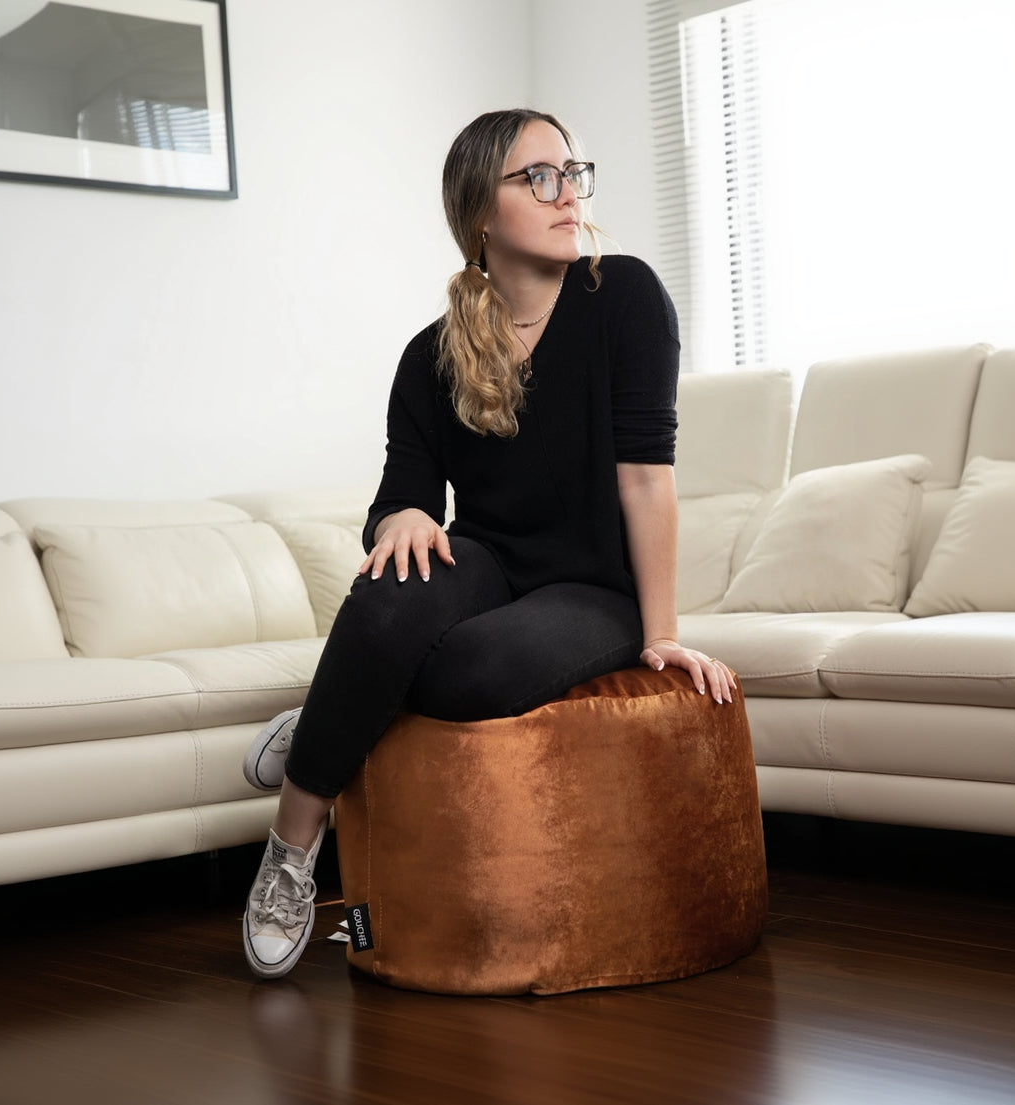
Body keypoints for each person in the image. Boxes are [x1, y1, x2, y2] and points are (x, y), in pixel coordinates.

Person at [241, 108, 737, 979]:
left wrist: (660, 632)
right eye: (537, 176)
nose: (565, 193)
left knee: (478, 672)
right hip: (490, 560)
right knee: (389, 590)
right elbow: (405, 493)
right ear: (481, 211)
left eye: (572, 171)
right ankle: (292, 839)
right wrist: (400, 517)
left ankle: (336, 712)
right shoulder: (429, 355)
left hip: (593, 585)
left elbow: (646, 476)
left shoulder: (623, 297)